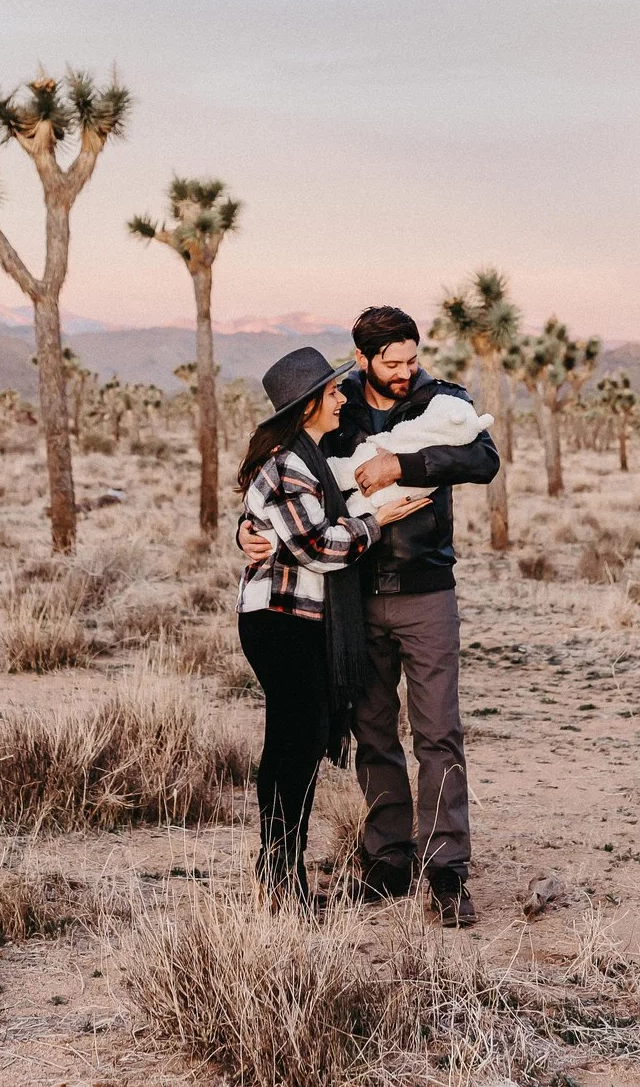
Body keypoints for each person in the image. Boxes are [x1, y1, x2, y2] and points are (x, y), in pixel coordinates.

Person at [242, 306, 499, 925]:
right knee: (374, 730)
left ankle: (446, 870)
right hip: (351, 595)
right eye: (394, 362)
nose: (408, 371)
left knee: (438, 730)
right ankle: (388, 859)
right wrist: (251, 530)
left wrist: (402, 466)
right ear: (363, 361)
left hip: (425, 586)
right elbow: (285, 477)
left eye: (413, 358)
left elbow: (482, 460)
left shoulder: (443, 399)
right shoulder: (339, 403)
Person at [233, 346, 424, 912]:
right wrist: (375, 523)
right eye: (334, 392)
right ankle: (282, 881)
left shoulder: (308, 457)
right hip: (280, 621)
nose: (343, 398)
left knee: (293, 744)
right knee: (296, 746)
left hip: (296, 619)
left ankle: (279, 872)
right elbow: (316, 547)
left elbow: (282, 526)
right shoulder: (290, 464)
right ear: (310, 403)